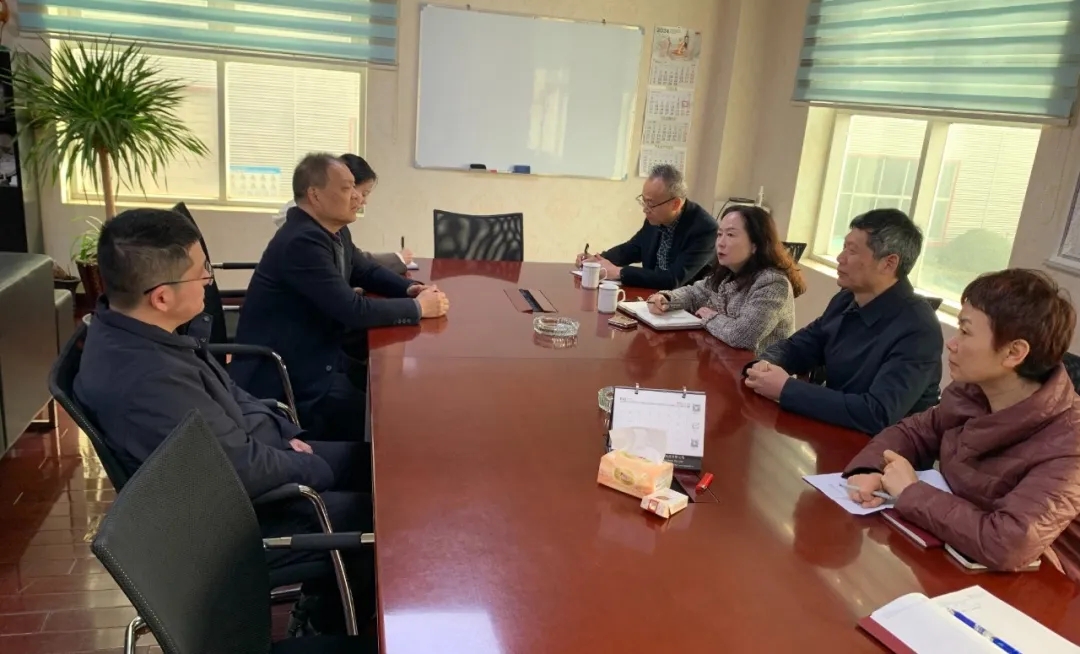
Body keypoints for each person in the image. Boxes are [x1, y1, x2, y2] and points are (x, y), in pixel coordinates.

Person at [74, 207, 376, 629]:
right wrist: (307, 463)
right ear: (161, 297)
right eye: (202, 273)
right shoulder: (146, 381)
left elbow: (232, 393)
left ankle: (326, 602)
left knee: (379, 465)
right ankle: (327, 622)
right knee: (384, 516)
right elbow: (239, 471)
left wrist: (283, 435)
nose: (208, 280)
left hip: (253, 462)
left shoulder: (142, 331)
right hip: (235, 524)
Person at [844, 269, 1080, 581]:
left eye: (966, 332)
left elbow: (1008, 543)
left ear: (1014, 352)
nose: (952, 344)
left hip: (1041, 589)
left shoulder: (1069, 442)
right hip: (957, 562)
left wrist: (911, 493)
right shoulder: (972, 391)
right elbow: (913, 432)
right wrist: (870, 469)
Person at [232, 153, 449, 442]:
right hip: (292, 375)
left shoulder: (331, 230)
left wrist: (410, 289)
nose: (358, 197)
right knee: (391, 421)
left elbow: (365, 269)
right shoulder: (302, 241)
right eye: (347, 189)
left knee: (397, 395)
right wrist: (417, 308)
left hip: (322, 356)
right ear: (315, 195)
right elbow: (352, 311)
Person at [744, 209, 942, 434]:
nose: (840, 257)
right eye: (844, 247)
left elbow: (877, 413)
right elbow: (800, 346)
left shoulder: (919, 329)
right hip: (834, 432)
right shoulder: (846, 299)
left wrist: (786, 389)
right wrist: (765, 364)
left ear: (889, 263)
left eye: (852, 250)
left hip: (884, 450)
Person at [644, 205, 805, 354]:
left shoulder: (772, 283)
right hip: (724, 359)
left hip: (759, 369)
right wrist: (667, 299)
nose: (720, 243)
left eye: (730, 235)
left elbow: (742, 336)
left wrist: (709, 317)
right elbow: (694, 294)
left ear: (755, 244)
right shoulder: (727, 271)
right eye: (719, 234)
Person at [575, 164, 717, 290]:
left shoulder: (705, 230)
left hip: (685, 304)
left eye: (651, 204)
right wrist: (598, 260)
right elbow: (633, 248)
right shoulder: (655, 217)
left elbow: (673, 279)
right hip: (651, 297)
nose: (645, 209)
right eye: (644, 201)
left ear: (675, 204)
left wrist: (619, 272)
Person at [272, 153, 413, 274]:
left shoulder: (339, 229)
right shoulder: (304, 234)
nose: (361, 200)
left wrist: (412, 288)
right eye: (347, 188)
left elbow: (357, 265)